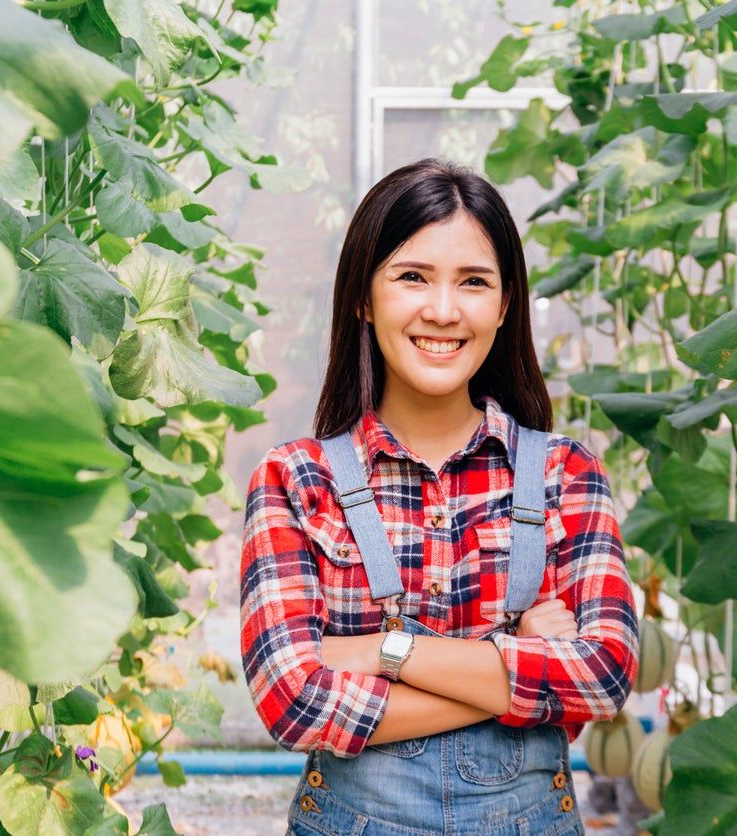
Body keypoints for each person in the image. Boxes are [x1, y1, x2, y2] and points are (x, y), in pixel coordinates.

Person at [239, 157, 640, 835]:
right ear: (365, 296)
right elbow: (293, 700)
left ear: (506, 303)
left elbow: (602, 675)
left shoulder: (566, 477)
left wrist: (381, 650)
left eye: (474, 282)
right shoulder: (298, 482)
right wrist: (515, 657)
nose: (444, 310)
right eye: (413, 277)